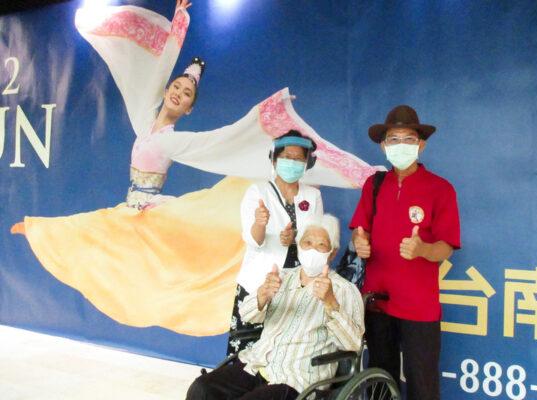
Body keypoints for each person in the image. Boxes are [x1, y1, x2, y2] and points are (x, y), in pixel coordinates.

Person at [9, 1, 379, 338]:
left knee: (155, 252)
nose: (179, 93)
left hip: (151, 213)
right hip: (130, 211)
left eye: (187, 94)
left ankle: (42, 232)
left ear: (188, 109)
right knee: (98, 234)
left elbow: (220, 140)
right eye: (177, 87)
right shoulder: (143, 117)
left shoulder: (172, 141)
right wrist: (179, 23)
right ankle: (40, 231)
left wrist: (262, 116)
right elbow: (161, 68)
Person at [187, 214, 365, 400]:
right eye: (307, 242)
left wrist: (330, 303)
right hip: (256, 364)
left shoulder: (344, 289)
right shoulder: (282, 277)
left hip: (296, 378)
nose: (312, 249)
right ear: (299, 247)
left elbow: (353, 343)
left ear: (333, 252)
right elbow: (246, 315)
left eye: (320, 245)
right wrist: (262, 296)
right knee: (201, 389)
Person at [349, 105, 461, 400]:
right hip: (378, 303)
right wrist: (359, 242)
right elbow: (359, 230)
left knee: (422, 382)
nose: (401, 146)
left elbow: (446, 247)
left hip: (419, 307)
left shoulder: (441, 189)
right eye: (394, 139)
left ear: (421, 144)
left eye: (408, 139)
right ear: (384, 145)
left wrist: (423, 248)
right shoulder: (374, 185)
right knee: (379, 381)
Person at [228, 130, 324, 354]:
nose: (293, 162)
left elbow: (318, 240)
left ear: (307, 163)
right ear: (274, 159)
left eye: (299, 158)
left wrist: (296, 238)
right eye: (287, 157)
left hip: (296, 287)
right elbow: (253, 240)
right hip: (259, 282)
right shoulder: (258, 191)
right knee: (247, 349)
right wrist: (260, 223)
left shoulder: (313, 196)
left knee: (284, 352)